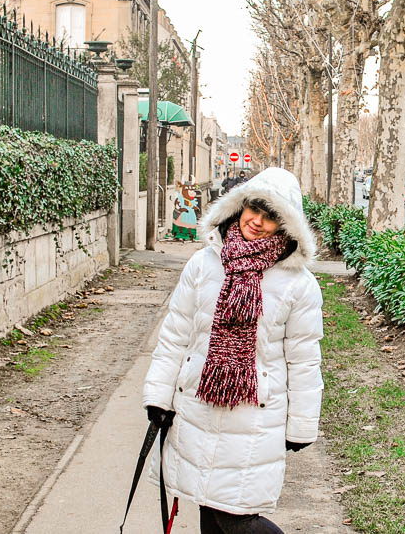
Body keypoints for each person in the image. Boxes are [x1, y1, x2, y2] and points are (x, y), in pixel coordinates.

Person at [142, 167, 323, 534]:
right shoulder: (204, 264)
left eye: (271, 216)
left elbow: (304, 361)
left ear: (287, 225)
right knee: (209, 513)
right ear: (238, 207)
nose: (256, 222)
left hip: (254, 419)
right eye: (252, 209)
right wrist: (158, 397)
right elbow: (175, 335)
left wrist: (301, 426)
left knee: (235, 518)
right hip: (197, 406)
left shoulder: (299, 286)